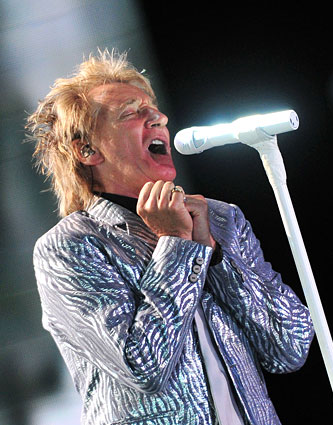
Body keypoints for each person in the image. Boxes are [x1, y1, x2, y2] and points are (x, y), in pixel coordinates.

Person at [27, 49, 314, 425]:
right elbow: (142, 366)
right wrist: (177, 244)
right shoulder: (69, 247)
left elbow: (289, 348)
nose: (159, 118)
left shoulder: (222, 219)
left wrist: (215, 256)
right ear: (88, 150)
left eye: (154, 109)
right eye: (131, 112)